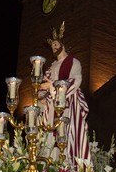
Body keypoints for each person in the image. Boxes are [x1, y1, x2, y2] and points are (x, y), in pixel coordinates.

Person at [39, 21, 91, 163]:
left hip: (68, 102)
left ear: (62, 44)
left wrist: (54, 87)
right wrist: (42, 94)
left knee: (67, 134)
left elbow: (76, 80)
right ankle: (49, 163)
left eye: (55, 44)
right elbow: (43, 83)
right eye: (52, 46)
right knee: (49, 134)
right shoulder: (52, 66)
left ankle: (67, 165)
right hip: (51, 105)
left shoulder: (74, 62)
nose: (53, 47)